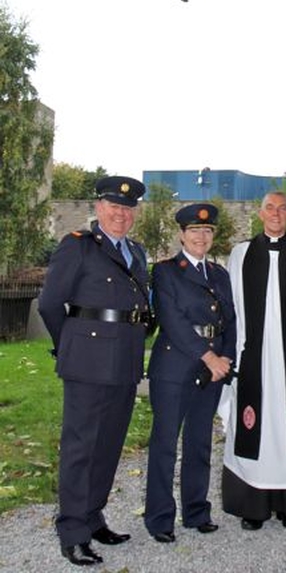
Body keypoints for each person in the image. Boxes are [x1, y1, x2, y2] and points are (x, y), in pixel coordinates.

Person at [38, 175, 151, 566]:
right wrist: (67, 347)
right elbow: (50, 304)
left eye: (127, 208)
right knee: (81, 448)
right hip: (87, 363)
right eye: (113, 207)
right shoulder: (78, 247)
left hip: (124, 361)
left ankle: (93, 516)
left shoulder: (136, 252)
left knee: (108, 446)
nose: (120, 214)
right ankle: (71, 529)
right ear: (99, 208)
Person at [218, 191, 286, 532]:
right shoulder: (241, 254)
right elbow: (231, 309)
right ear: (260, 214)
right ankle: (253, 507)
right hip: (253, 358)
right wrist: (237, 356)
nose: (276, 214)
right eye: (270, 208)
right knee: (254, 430)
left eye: (283, 209)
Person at [144, 203, 236, 543]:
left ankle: (196, 512)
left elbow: (231, 320)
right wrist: (209, 357)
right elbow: (171, 320)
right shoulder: (166, 271)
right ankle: (159, 519)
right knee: (165, 444)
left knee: (200, 441)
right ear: (182, 234)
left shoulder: (220, 275)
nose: (201, 236)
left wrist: (225, 359)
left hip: (212, 370)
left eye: (208, 231)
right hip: (175, 367)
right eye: (195, 231)